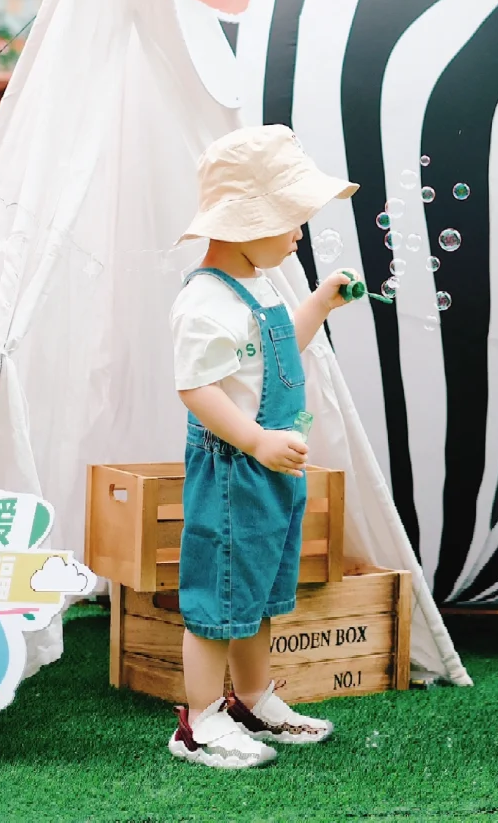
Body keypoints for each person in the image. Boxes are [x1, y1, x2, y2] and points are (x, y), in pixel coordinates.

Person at [167, 124, 359, 769]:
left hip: (273, 467)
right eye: (291, 218)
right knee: (218, 601)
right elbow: (196, 389)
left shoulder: (258, 287)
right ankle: (199, 722)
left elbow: (276, 354)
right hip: (233, 472)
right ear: (246, 223)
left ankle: (252, 697)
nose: (300, 231)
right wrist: (255, 440)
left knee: (257, 597)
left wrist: (319, 304)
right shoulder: (204, 302)